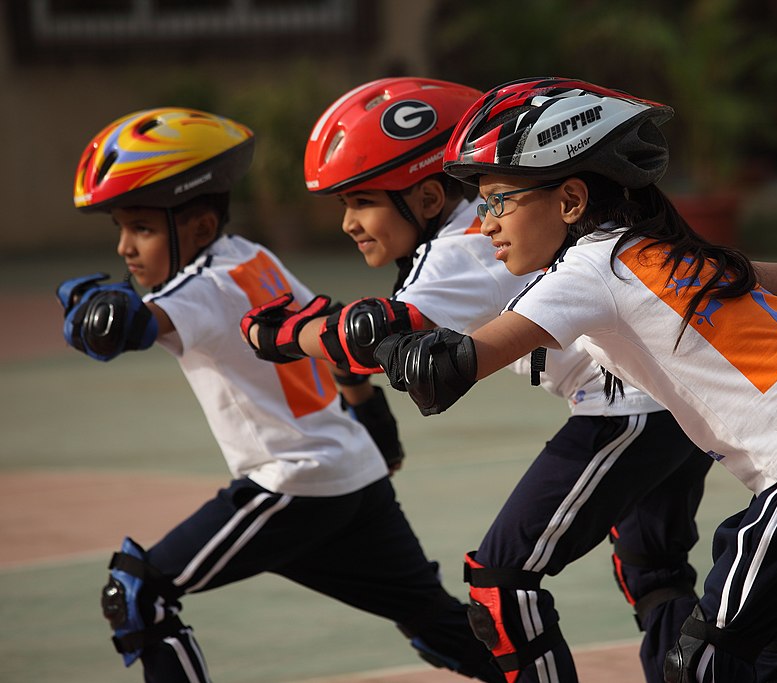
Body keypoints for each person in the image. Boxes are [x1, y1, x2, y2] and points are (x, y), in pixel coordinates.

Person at [362, 78, 777, 683]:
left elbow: (449, 368)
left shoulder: (589, 267)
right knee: (763, 655)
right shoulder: (655, 250)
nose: (485, 225)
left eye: (498, 202)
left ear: (570, 200)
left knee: (705, 662)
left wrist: (382, 342)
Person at [244, 76, 714, 683]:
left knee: (502, 584)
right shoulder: (480, 227)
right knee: (654, 571)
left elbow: (368, 337)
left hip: (628, 410)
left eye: (361, 202)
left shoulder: (468, 244)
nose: (348, 224)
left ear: (430, 197)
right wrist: (371, 417)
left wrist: (276, 335)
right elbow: (368, 347)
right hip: (668, 402)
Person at [58, 107, 503, 683]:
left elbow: (130, 329)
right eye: (121, 229)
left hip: (294, 481)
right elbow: (329, 326)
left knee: (139, 592)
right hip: (352, 474)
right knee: (437, 625)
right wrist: (369, 417)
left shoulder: (204, 285)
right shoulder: (251, 258)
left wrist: (98, 315)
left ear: (195, 228)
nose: (125, 247)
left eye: (140, 228)